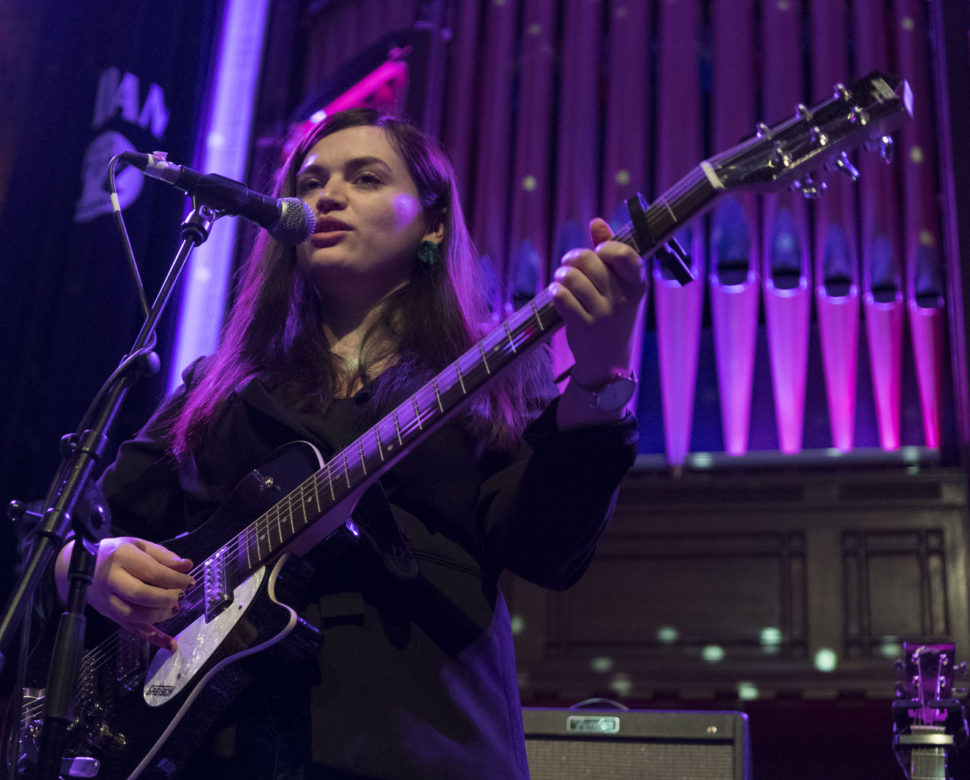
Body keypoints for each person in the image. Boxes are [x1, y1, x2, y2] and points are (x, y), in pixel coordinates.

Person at [52, 107, 645, 778]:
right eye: (308, 183)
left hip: (417, 742)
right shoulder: (220, 385)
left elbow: (548, 551)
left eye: (365, 177)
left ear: (433, 221)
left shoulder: (500, 371)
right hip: (214, 749)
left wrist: (602, 375)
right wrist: (86, 566)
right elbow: (86, 531)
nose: (327, 196)